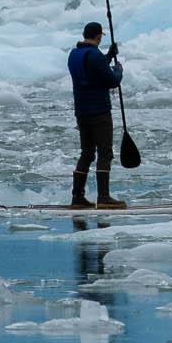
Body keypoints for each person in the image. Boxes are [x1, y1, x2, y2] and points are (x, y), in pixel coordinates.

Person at [67, 21, 126, 208]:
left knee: (86, 153)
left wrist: (108, 56)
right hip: (99, 112)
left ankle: (77, 197)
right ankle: (104, 197)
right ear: (98, 36)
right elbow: (111, 81)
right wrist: (118, 70)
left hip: (82, 112)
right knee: (105, 153)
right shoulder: (94, 55)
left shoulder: (74, 55)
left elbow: (91, 71)